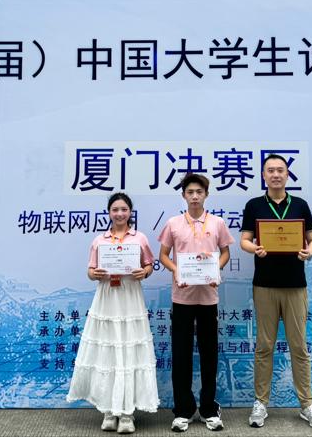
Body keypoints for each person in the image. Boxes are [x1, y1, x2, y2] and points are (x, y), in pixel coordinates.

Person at [239, 154, 312, 430]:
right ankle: (260, 402)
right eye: (270, 170)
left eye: (280, 170)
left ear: (287, 175)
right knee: (264, 346)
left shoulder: (300, 205)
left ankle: (307, 403)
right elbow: (244, 240)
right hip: (264, 285)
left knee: (298, 345)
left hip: (295, 285)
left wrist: (309, 252)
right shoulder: (254, 205)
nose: (275, 174)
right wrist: (255, 248)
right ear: (263, 175)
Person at [67, 193, 159, 434]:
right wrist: (95, 274)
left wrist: (144, 272)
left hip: (130, 296)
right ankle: (108, 410)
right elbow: (90, 271)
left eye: (124, 209)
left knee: (128, 349)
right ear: (109, 212)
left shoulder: (139, 238)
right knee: (107, 351)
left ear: (130, 212)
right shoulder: (100, 240)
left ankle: (127, 413)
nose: (119, 213)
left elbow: (149, 265)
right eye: (115, 209)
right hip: (107, 297)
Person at [158, 174, 234, 432]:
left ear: (206, 195)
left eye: (199, 192)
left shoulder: (217, 223)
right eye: (190, 192)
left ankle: (209, 409)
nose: (194, 196)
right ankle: (184, 410)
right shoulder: (173, 223)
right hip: (181, 298)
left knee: (209, 354)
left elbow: (225, 252)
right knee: (181, 355)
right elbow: (163, 255)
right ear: (183, 195)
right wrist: (176, 270)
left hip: (208, 298)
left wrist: (216, 269)